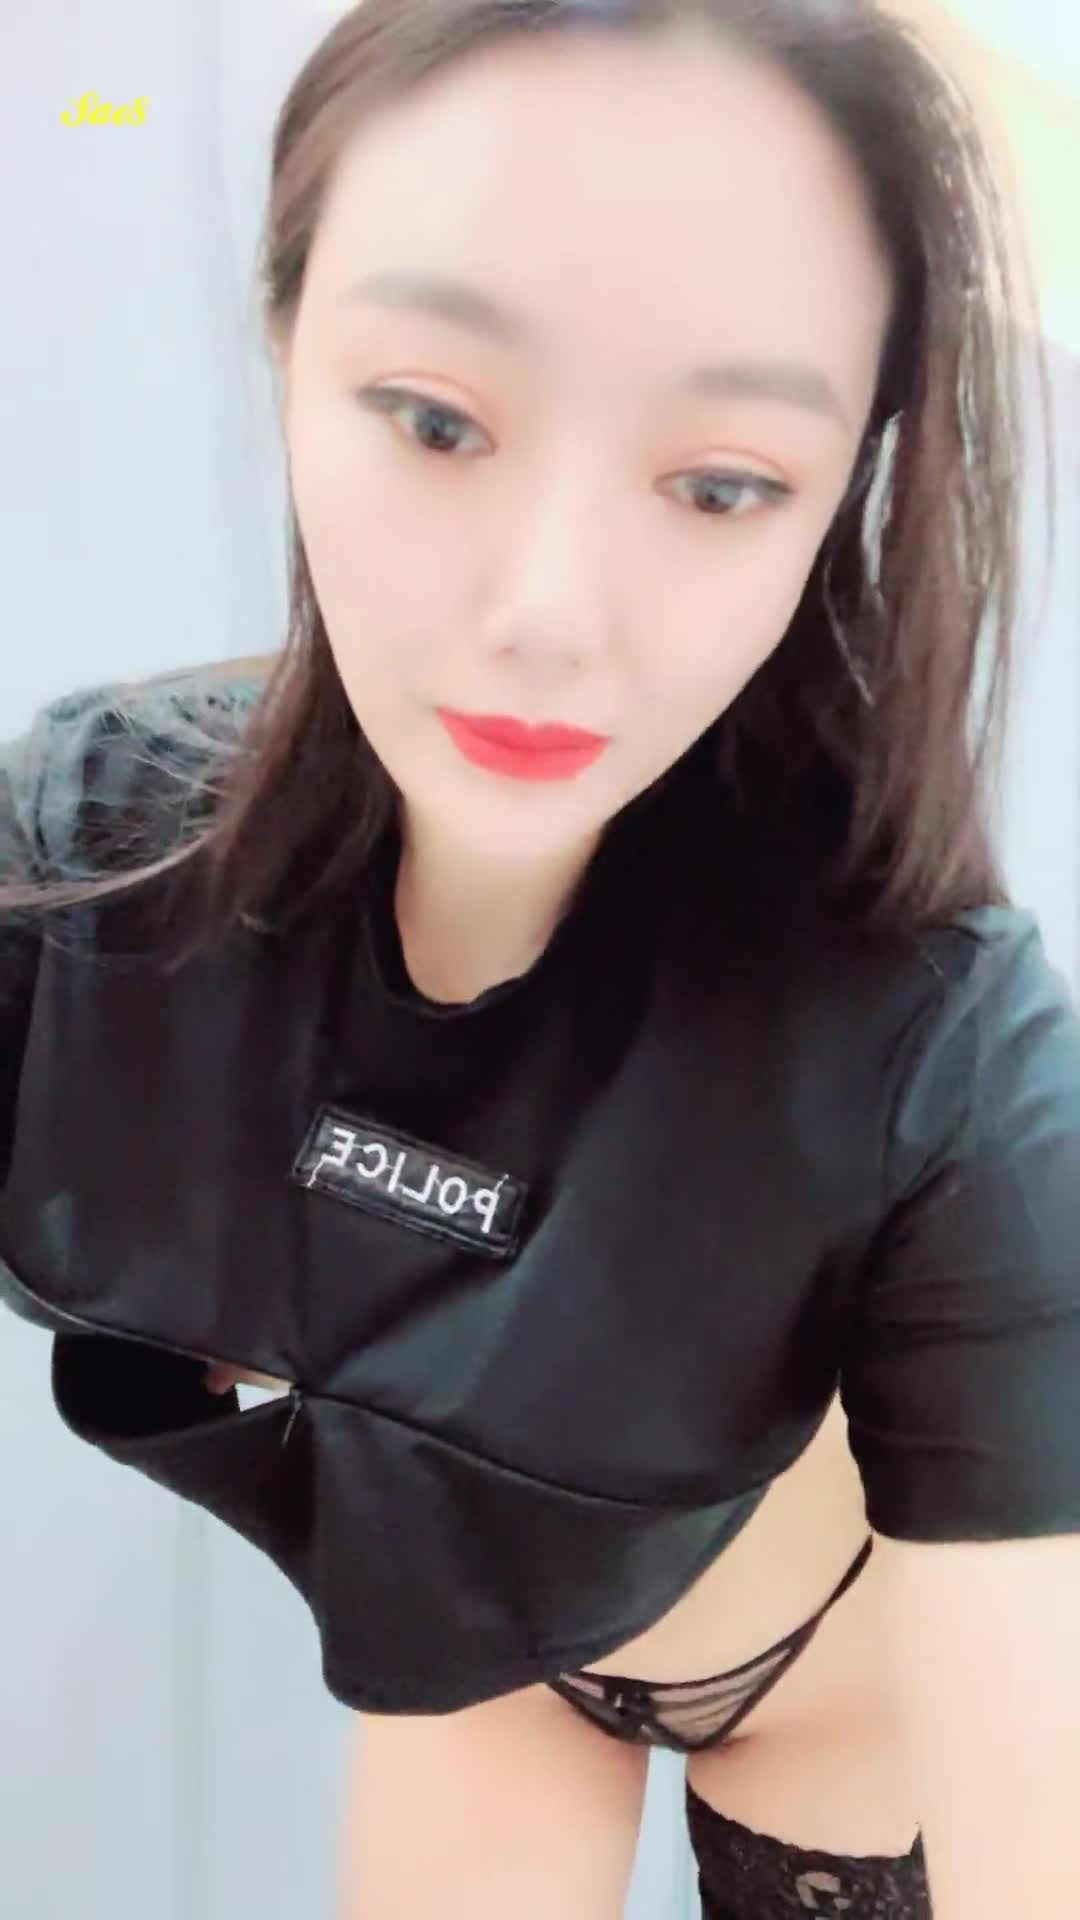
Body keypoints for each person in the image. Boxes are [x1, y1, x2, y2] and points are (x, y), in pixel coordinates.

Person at [2, 0, 1079, 1913]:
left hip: (848, 1687)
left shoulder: (946, 1047)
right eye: (437, 420)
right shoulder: (90, 858)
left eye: (721, 483)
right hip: (493, 1650)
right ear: (286, 341)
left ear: (843, 485)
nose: (548, 613)